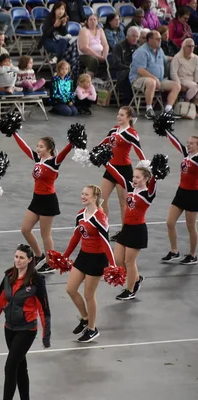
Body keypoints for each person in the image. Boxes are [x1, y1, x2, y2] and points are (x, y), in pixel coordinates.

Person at [0, 244, 51, 400]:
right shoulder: (8, 276)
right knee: (20, 367)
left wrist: (46, 335)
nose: (18, 260)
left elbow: (44, 309)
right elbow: (0, 300)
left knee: (10, 367)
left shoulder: (36, 281)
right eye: (16, 257)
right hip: (9, 328)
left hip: (27, 330)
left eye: (21, 258)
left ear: (30, 260)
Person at [11, 131, 73, 274]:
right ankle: (39, 255)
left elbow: (64, 152)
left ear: (49, 149)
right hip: (36, 199)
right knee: (25, 229)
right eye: (37, 146)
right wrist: (14, 133)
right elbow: (25, 148)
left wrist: (72, 143)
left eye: (41, 147)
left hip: (48, 201)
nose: (38, 149)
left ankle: (51, 263)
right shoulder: (38, 160)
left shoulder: (54, 162)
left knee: (46, 234)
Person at [63, 185, 115, 342]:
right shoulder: (80, 214)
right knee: (71, 289)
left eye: (86, 194)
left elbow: (106, 243)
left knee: (89, 295)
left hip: (97, 259)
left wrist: (112, 264)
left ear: (94, 197)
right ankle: (85, 318)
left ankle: (92, 329)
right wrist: (65, 256)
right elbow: (76, 236)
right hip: (83, 256)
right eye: (82, 193)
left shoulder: (100, 217)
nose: (83, 196)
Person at [105, 161, 156, 300]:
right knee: (118, 260)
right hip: (126, 228)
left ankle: (130, 290)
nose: (134, 179)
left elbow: (153, 185)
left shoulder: (148, 194)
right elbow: (118, 176)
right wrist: (106, 163)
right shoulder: (131, 188)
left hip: (137, 230)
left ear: (146, 179)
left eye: (138, 177)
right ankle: (137, 279)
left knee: (129, 261)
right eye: (134, 176)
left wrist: (156, 175)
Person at [98, 107, 146, 241]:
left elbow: (139, 150)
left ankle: (125, 231)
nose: (119, 117)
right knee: (101, 199)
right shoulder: (114, 129)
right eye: (118, 114)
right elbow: (103, 143)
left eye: (122, 115)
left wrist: (145, 166)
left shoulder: (131, 133)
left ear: (129, 117)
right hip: (110, 168)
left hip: (124, 170)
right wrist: (93, 152)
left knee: (123, 203)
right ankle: (104, 227)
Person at [161, 133, 198, 265]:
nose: (188, 145)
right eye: (188, 142)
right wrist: (166, 131)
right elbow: (176, 142)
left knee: (190, 226)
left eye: (192, 143)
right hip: (181, 192)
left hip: (193, 195)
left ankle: (193, 255)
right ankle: (174, 251)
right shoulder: (187, 155)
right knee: (170, 222)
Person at [129, 30, 182, 119]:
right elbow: (140, 70)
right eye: (157, 39)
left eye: (160, 39)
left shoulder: (159, 50)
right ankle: (149, 109)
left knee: (176, 85)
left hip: (159, 79)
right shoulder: (142, 52)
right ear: (150, 39)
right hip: (139, 79)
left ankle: (168, 110)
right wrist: (154, 78)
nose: (160, 41)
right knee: (151, 82)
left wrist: (176, 59)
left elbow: (165, 58)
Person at [112, 26, 140, 104]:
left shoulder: (138, 47)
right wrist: (130, 68)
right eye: (133, 36)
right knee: (129, 73)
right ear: (127, 36)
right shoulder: (119, 46)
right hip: (120, 70)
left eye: (137, 36)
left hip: (133, 70)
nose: (135, 38)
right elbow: (116, 63)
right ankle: (127, 99)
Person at [170, 38, 198, 104]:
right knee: (195, 87)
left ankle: (194, 106)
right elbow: (173, 73)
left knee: (196, 86)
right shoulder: (177, 57)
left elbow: (197, 71)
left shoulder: (196, 58)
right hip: (182, 79)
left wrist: (197, 81)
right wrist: (179, 84)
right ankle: (186, 101)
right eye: (189, 46)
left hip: (192, 79)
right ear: (183, 47)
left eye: (192, 46)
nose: (191, 48)